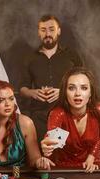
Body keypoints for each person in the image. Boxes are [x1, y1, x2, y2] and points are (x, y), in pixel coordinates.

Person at [20, 14, 82, 142]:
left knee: (60, 155)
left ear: (59, 31)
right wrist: (33, 93)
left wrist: (63, 92)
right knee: (41, 158)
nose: (47, 33)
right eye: (43, 30)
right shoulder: (29, 58)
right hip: (38, 117)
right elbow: (22, 89)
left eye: (51, 29)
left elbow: (83, 84)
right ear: (39, 32)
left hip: (66, 115)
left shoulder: (71, 56)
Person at [0, 80, 55, 169]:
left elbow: (34, 159)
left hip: (19, 177)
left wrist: (40, 162)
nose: (8, 104)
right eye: (2, 100)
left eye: (11, 99)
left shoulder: (26, 123)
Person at [40, 68, 100, 173]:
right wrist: (47, 145)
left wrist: (91, 157)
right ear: (65, 92)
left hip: (90, 166)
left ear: (91, 92)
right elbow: (52, 137)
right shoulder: (58, 114)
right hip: (63, 169)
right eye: (71, 88)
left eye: (84, 88)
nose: (77, 93)